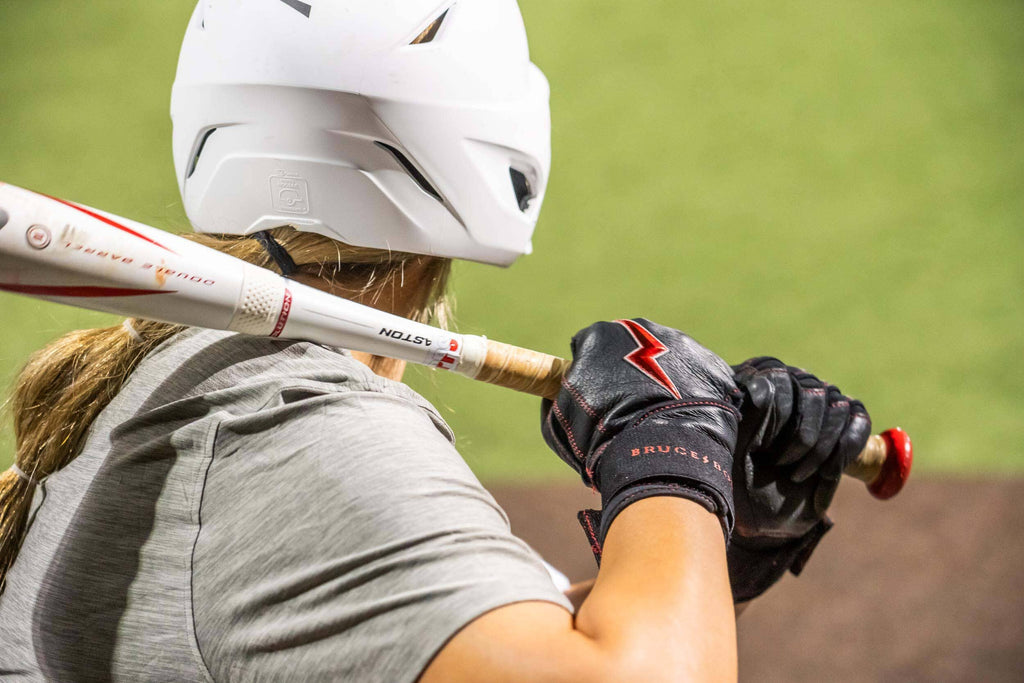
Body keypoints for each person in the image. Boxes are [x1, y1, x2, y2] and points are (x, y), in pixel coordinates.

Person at [0, 2, 870, 681]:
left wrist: (705, 540)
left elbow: (453, 643)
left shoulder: (185, 372)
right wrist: (672, 455)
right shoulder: (300, 434)